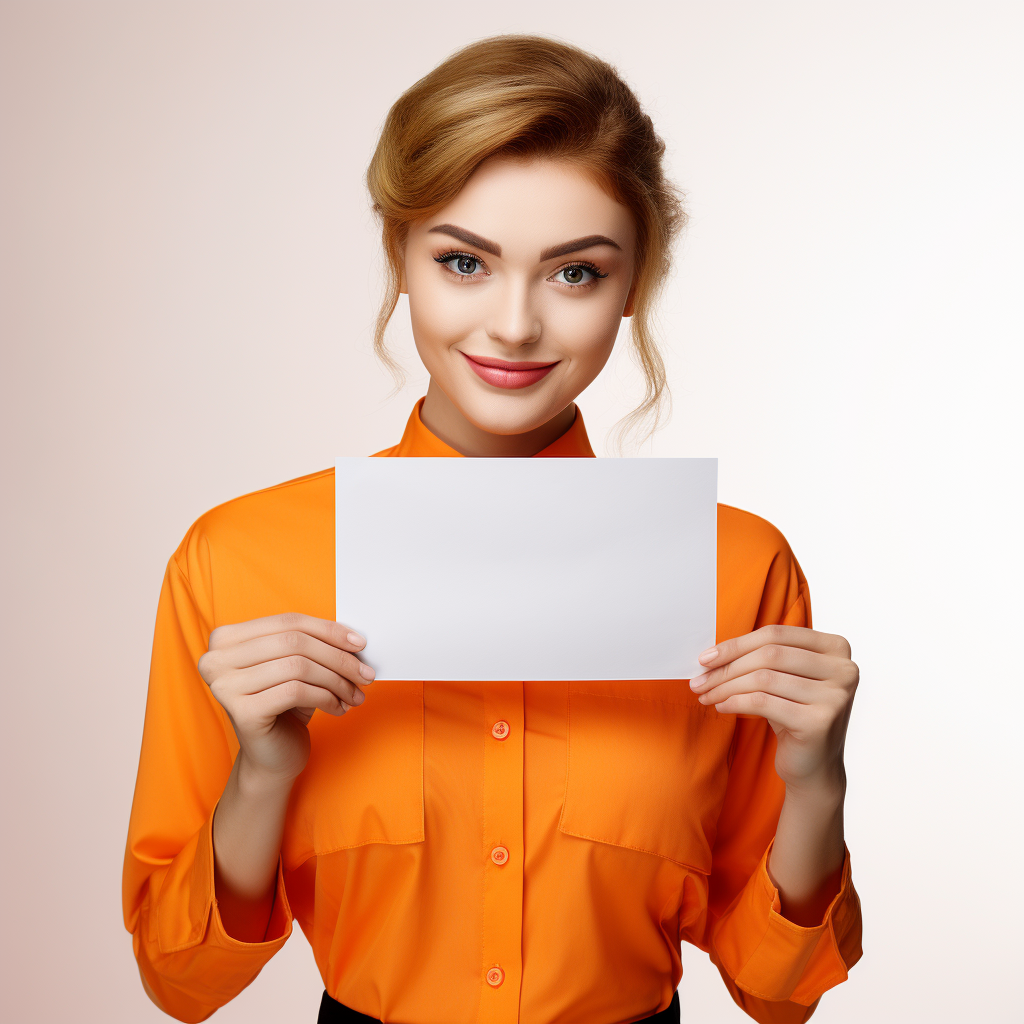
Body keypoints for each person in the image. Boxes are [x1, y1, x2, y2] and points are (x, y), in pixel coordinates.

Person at [122, 34, 862, 1024]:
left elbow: (778, 993)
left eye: (574, 274)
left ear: (634, 282)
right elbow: (181, 981)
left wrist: (815, 780)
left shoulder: (737, 568)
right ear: (401, 259)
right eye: (464, 261)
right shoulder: (241, 559)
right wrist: (262, 774)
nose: (513, 325)